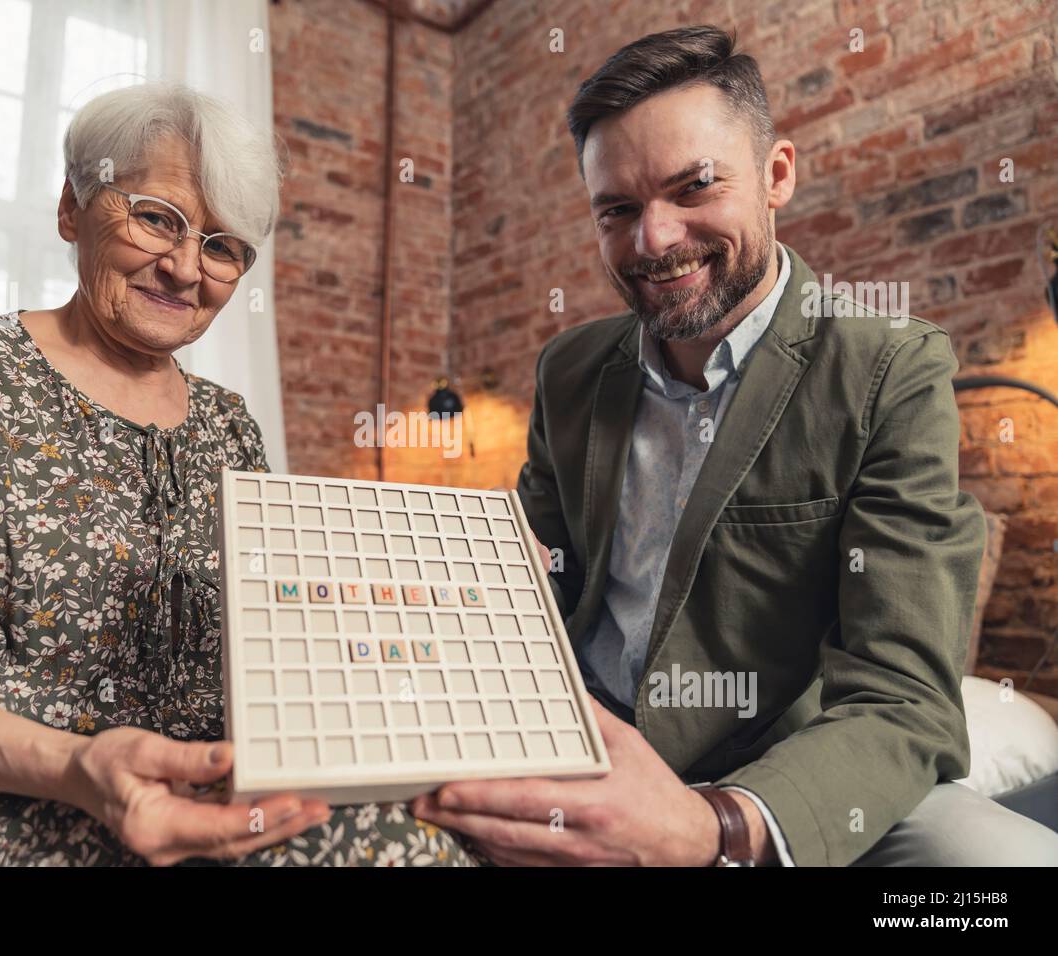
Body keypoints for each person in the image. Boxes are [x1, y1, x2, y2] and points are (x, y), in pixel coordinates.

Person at [0, 81, 475, 867]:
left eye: (222, 245)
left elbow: (272, 642)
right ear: (73, 209)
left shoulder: (229, 424)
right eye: (157, 218)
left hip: (205, 785)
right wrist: (77, 768)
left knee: (422, 846)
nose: (183, 268)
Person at [411, 26, 1058, 866]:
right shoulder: (570, 369)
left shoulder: (888, 369)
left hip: (774, 773)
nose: (654, 238)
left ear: (776, 174)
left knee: (998, 868)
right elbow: (549, 567)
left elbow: (904, 699)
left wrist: (712, 827)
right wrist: (486, 572)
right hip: (578, 742)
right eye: (618, 209)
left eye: (695, 186)